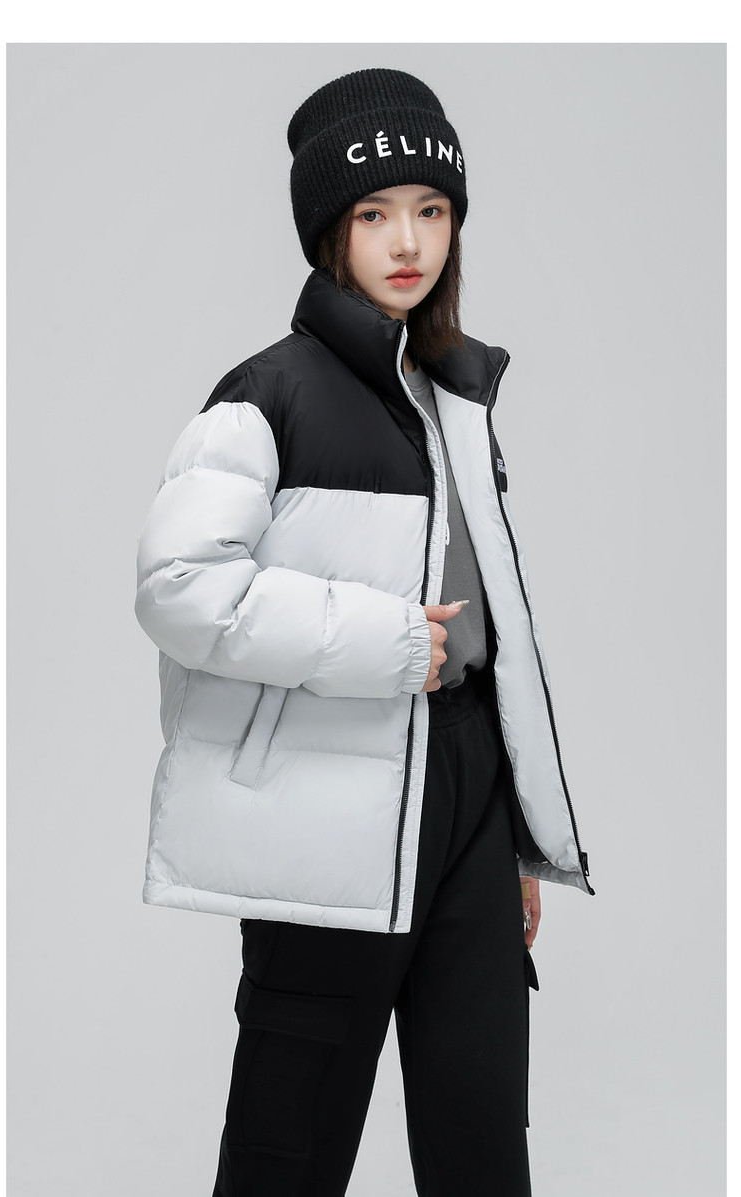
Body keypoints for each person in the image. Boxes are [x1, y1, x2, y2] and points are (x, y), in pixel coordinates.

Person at [134, 67, 595, 1197]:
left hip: (469, 795)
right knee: (287, 1155)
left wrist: (516, 831)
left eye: (431, 210)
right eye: (375, 213)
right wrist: (385, 641)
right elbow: (179, 588)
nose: (408, 242)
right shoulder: (266, 395)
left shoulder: (456, 397)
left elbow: (496, 630)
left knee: (482, 1147)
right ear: (328, 230)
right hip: (325, 810)